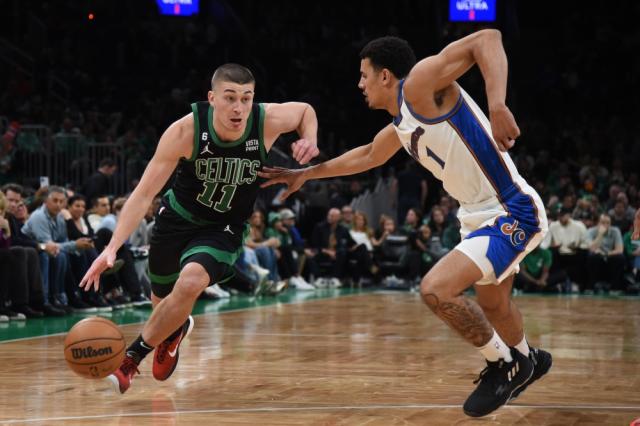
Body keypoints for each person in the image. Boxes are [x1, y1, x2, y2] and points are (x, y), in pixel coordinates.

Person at [260, 30, 550, 417]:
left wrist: (497, 105)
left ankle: (506, 364)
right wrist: (306, 174)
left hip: (511, 209)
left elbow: (488, 39)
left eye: (364, 75)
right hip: (477, 214)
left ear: (385, 76)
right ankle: (526, 357)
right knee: (494, 305)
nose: (359, 84)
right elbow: (366, 155)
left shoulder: (419, 86)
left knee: (436, 290)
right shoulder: (402, 121)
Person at [80, 63, 319, 394]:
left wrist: (310, 138)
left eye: (246, 99)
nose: (239, 108)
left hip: (224, 226)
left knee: (190, 281)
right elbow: (144, 193)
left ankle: (131, 360)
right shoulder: (186, 132)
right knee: (162, 303)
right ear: (212, 98)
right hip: (176, 221)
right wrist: (111, 248)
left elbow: (305, 110)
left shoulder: (267, 121)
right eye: (230, 98)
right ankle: (175, 330)